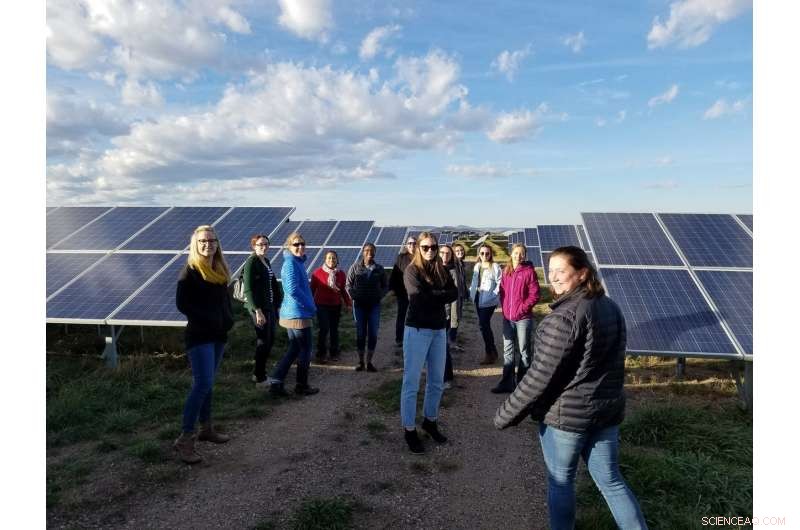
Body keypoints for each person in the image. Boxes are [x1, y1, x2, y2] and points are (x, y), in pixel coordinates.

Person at [494, 246, 647, 530]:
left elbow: (539, 377)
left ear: (582, 273)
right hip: (606, 412)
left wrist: (505, 414)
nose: (553, 277)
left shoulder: (563, 318)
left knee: (561, 480)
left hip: (568, 418)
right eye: (550, 271)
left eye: (560, 271)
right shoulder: (610, 306)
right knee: (611, 481)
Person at [174, 225, 234, 464]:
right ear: (195, 245)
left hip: (218, 335)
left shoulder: (219, 270)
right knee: (202, 384)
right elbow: (182, 304)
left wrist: (227, 320)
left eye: (211, 240)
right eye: (202, 241)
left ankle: (206, 428)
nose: (207, 244)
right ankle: (185, 439)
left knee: (209, 385)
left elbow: (225, 302)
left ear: (217, 244)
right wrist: (208, 319)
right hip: (199, 337)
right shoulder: (190, 272)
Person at [401, 232, 458, 454]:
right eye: (425, 247)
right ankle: (409, 430)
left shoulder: (441, 269)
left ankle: (430, 421)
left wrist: (435, 294)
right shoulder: (411, 271)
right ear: (418, 249)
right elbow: (418, 298)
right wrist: (440, 294)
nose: (430, 251)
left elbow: (453, 292)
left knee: (436, 381)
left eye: (433, 247)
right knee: (411, 383)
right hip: (417, 330)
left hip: (438, 331)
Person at [268, 232, 319, 397]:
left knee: (294, 349)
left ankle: (276, 381)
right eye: (296, 244)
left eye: (302, 244)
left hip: (295, 312)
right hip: (298, 313)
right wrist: (311, 305)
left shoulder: (297, 262)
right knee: (305, 350)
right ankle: (301, 385)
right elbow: (292, 289)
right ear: (288, 246)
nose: (300, 247)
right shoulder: (290, 263)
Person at [492, 243, 540, 393]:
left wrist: (521, 309)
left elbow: (535, 295)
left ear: (525, 255)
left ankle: (522, 385)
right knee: (508, 350)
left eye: (521, 253)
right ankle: (507, 382)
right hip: (508, 317)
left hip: (523, 318)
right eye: (516, 253)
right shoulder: (506, 271)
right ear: (511, 254)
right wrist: (505, 308)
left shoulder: (529, 272)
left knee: (524, 350)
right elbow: (502, 291)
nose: (518, 256)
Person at [243, 234, 283, 388]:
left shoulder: (265, 261)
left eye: (266, 244)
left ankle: (260, 373)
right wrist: (257, 310)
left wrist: (278, 303)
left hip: (270, 307)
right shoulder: (251, 262)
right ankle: (259, 377)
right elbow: (248, 289)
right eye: (260, 244)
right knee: (263, 341)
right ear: (254, 246)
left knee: (270, 340)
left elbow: (272, 284)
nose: (264, 247)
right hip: (258, 309)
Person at [346, 243, 388, 371]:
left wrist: (379, 296)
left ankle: (369, 362)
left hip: (374, 306)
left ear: (375, 253)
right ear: (362, 252)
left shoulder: (379, 269)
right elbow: (348, 285)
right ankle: (360, 362)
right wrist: (354, 296)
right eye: (367, 250)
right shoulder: (355, 267)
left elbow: (386, 286)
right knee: (360, 333)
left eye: (372, 250)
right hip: (359, 306)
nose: (369, 252)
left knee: (373, 333)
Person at [310, 250, 352, 363]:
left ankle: (334, 353)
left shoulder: (341, 274)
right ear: (325, 259)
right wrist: (309, 305)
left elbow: (343, 290)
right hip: (321, 305)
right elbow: (312, 290)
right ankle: (321, 353)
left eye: (333, 258)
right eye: (329, 258)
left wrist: (348, 303)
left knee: (334, 329)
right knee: (324, 328)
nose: (331, 260)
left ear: (337, 260)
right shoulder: (317, 273)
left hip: (335, 305)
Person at [469, 243, 502, 365]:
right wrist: (471, 293)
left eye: (487, 253)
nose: (484, 255)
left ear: (491, 254)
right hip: (478, 297)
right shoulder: (477, 266)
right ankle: (493, 351)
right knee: (484, 325)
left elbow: (500, 283)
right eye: (482, 253)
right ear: (479, 254)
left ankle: (490, 353)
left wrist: (493, 295)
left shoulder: (495, 266)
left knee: (483, 325)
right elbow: (474, 281)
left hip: (489, 301)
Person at [438, 244, 461, 389]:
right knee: (440, 346)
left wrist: (453, 319)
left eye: (448, 253)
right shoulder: (435, 268)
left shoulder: (453, 271)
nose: (445, 255)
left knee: (443, 347)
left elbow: (455, 296)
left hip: (445, 315)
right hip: (434, 313)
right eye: (442, 253)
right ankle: (446, 375)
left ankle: (446, 378)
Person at [389, 235, 417, 347]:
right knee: (401, 315)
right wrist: (392, 289)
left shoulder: (421, 258)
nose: (412, 245)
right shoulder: (401, 257)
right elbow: (395, 274)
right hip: (403, 292)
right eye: (410, 243)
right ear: (406, 245)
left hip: (417, 294)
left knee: (415, 316)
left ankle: (414, 338)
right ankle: (399, 339)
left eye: (414, 243)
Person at [450, 243, 469, 350]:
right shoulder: (453, 265)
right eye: (457, 251)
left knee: (457, 317)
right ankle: (451, 341)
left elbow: (462, 281)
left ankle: (452, 340)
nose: (460, 252)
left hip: (460, 296)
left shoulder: (461, 263)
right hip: (454, 297)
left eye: (461, 250)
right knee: (454, 318)